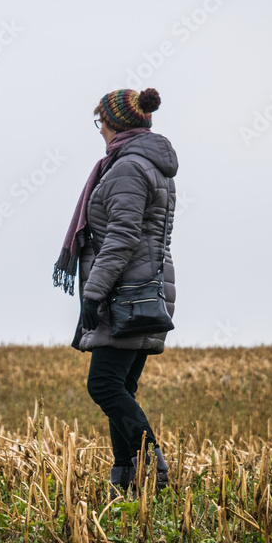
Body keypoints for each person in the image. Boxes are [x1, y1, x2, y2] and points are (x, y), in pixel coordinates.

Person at [52, 87, 177, 496]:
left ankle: (149, 464)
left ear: (115, 124)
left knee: (104, 385)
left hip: (125, 293)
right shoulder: (147, 164)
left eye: (100, 122)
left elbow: (122, 237)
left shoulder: (127, 167)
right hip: (143, 289)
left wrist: (93, 294)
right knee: (121, 387)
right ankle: (125, 479)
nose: (99, 130)